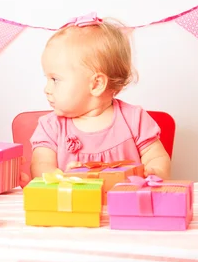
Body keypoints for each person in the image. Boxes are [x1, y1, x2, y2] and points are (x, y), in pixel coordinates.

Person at [30, 13, 171, 179]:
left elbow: (156, 157)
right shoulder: (51, 127)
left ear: (96, 84)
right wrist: (58, 176)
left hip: (124, 204)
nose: (46, 89)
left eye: (55, 79)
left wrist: (155, 170)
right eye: (47, 79)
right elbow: (40, 165)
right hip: (72, 204)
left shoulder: (134, 120)